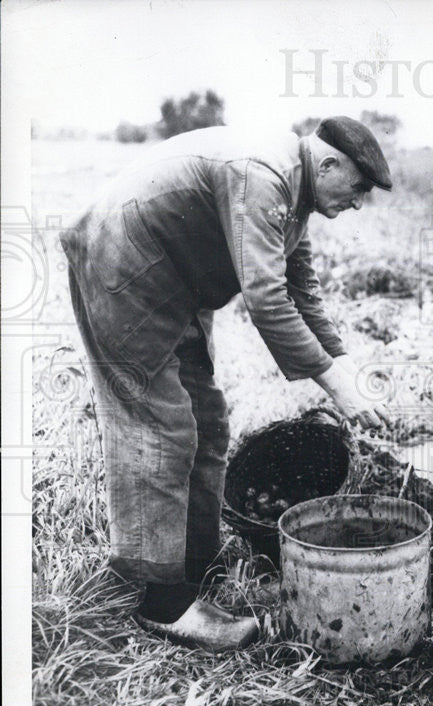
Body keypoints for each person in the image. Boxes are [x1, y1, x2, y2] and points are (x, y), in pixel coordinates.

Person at [59, 117, 392, 650]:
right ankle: (163, 603)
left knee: (208, 422)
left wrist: (346, 365)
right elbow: (266, 299)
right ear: (327, 164)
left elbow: (299, 291)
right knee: (161, 428)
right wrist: (334, 384)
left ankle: (194, 565)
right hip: (124, 270)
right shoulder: (263, 173)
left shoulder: (296, 195)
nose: (358, 203)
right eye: (357, 188)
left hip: (173, 282)